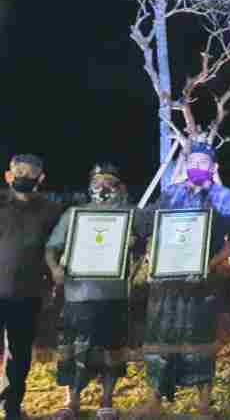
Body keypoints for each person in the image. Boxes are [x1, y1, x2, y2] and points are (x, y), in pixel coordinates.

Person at [137, 142, 230, 418]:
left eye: (203, 162)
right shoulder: (170, 194)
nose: (197, 166)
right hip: (166, 283)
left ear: (214, 167)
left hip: (203, 281)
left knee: (201, 341)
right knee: (159, 339)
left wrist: (211, 264)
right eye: (192, 162)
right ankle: (154, 400)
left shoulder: (226, 198)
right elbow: (151, 227)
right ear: (185, 165)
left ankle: (203, 403)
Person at [45, 162, 137, 420]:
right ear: (89, 185)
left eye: (109, 181)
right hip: (78, 294)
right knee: (73, 351)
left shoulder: (129, 215)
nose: (102, 186)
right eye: (97, 181)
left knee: (112, 351)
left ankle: (106, 401)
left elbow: (151, 238)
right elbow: (52, 247)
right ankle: (71, 402)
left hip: (114, 294)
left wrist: (135, 241)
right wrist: (55, 269)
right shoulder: (74, 214)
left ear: (120, 187)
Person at [0, 154, 63, 419]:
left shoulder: (51, 210)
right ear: (8, 176)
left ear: (41, 178)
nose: (24, 178)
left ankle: (12, 407)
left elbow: (57, 247)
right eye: (19, 173)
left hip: (27, 293)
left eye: (30, 174)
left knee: (20, 353)